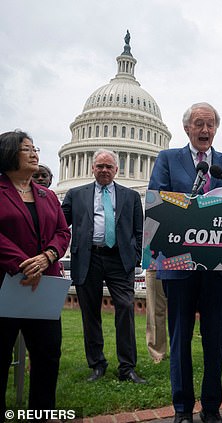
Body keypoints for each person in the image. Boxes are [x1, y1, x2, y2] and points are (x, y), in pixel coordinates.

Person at [148, 102, 222, 423]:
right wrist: (191, 206)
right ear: (187, 128)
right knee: (180, 339)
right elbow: (156, 198)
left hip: (218, 267)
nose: (205, 130)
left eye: (210, 125)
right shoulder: (167, 159)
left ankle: (210, 408)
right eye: (199, 124)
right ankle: (182, 409)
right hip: (177, 263)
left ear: (216, 129)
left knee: (215, 341)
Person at [0, 130, 70, 417]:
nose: (34, 153)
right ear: (9, 153)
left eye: (34, 148)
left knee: (47, 355)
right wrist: (24, 263)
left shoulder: (48, 195)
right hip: (6, 284)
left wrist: (48, 257)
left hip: (44, 288)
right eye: (26, 149)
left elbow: (62, 231)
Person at [61, 149, 145, 384]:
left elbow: (139, 230)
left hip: (120, 259)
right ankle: (97, 364)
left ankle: (127, 367)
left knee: (126, 308)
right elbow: (58, 223)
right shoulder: (76, 194)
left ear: (116, 170)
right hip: (88, 257)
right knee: (90, 313)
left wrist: (135, 256)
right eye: (100, 166)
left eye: (109, 167)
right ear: (92, 168)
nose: (104, 170)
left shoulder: (130, 196)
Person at [145, 269, 168, 363]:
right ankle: (157, 353)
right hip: (154, 262)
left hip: (181, 264)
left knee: (181, 310)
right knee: (154, 309)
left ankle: (181, 351)